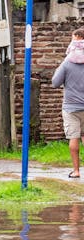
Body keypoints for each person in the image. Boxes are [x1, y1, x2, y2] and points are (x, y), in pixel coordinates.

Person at [52, 28, 84, 179]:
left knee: (74, 137)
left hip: (71, 107)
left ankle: (76, 171)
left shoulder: (67, 63)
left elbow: (55, 83)